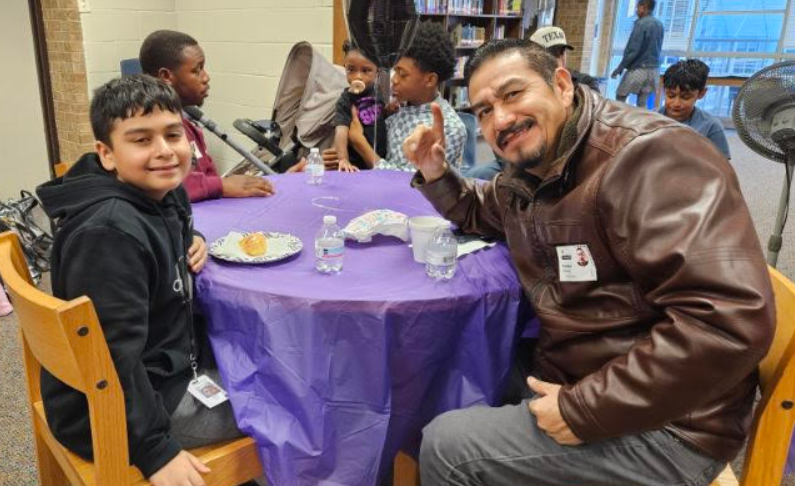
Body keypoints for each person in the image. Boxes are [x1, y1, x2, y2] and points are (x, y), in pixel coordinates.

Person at [403, 38, 774, 485]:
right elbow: (484, 210)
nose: (499, 119)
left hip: (672, 425)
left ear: (561, 84)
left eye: (512, 94)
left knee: (448, 445)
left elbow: (727, 324)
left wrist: (582, 410)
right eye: (483, 110)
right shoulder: (535, 168)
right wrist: (435, 172)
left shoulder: (651, 157)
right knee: (452, 362)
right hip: (586, 372)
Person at [36, 75, 248, 486]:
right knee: (285, 402)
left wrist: (194, 238)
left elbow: (170, 229)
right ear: (107, 154)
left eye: (173, 134)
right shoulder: (109, 235)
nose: (165, 151)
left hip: (162, 372)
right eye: (141, 140)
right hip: (117, 412)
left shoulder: (163, 193)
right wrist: (155, 451)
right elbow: (113, 358)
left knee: (269, 363)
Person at [139, 29, 274, 202]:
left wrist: (277, 183)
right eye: (197, 70)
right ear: (166, 76)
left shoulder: (189, 127)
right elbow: (166, 185)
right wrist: (222, 185)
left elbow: (210, 178)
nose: (206, 77)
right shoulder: (145, 132)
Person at [339, 21, 467, 172]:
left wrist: (360, 144)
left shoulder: (449, 128)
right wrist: (342, 156)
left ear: (430, 80)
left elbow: (409, 182)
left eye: (402, 74)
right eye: (395, 70)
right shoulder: (398, 109)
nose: (394, 79)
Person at [334, 39, 388, 172]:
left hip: (380, 159)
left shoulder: (379, 93)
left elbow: (384, 115)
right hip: (356, 165)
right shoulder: (345, 100)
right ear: (345, 67)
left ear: (377, 72)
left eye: (366, 70)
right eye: (351, 70)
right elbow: (341, 131)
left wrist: (390, 109)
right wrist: (343, 159)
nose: (358, 76)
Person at [659, 59, 731, 159]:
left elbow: (721, 166)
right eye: (671, 95)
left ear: (701, 93)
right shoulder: (650, 119)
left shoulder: (711, 126)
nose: (676, 103)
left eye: (685, 97)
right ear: (664, 90)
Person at [611, 0, 664, 108]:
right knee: (642, 102)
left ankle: (621, 121)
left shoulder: (641, 24)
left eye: (637, 8)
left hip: (639, 69)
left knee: (620, 96)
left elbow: (633, 50)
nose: (636, 11)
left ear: (643, 7)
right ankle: (640, 123)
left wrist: (620, 68)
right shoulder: (659, 24)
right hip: (654, 71)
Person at [530, 26, 600, 92]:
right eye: (552, 53)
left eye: (562, 51)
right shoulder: (529, 83)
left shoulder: (584, 82)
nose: (561, 58)